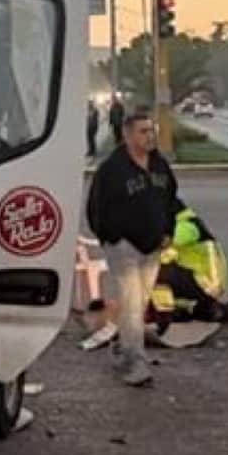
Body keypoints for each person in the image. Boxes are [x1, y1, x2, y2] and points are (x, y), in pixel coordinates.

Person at [85, 110, 179, 387]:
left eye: (151, 130)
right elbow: (96, 208)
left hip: (153, 245)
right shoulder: (112, 170)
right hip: (124, 246)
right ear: (127, 135)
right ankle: (135, 362)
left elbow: (171, 201)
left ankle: (123, 347)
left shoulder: (159, 166)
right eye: (143, 131)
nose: (149, 136)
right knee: (131, 301)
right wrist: (110, 237)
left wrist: (168, 231)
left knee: (140, 302)